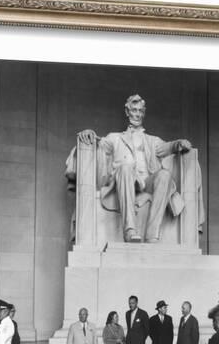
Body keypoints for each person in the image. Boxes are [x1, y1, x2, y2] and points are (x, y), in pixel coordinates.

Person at [69, 94, 204, 243]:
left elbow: (168, 147)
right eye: (134, 110)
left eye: (140, 111)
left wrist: (179, 143)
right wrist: (91, 135)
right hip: (125, 180)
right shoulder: (115, 138)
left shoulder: (152, 141)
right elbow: (100, 143)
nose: (137, 114)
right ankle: (130, 230)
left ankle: (152, 234)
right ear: (127, 112)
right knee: (125, 168)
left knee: (164, 175)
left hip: (147, 182)